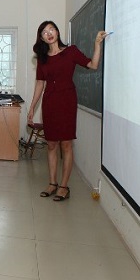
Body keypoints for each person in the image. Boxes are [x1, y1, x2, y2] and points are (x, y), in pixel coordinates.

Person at [27, 21, 107, 201]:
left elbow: (93, 65)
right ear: (41, 38)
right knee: (52, 144)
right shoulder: (43, 58)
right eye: (45, 32)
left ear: (57, 31)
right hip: (49, 102)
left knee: (66, 144)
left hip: (67, 101)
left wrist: (96, 44)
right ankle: (52, 183)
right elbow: (40, 83)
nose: (49, 33)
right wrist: (32, 107)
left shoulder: (71, 51)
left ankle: (64, 186)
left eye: (52, 29)